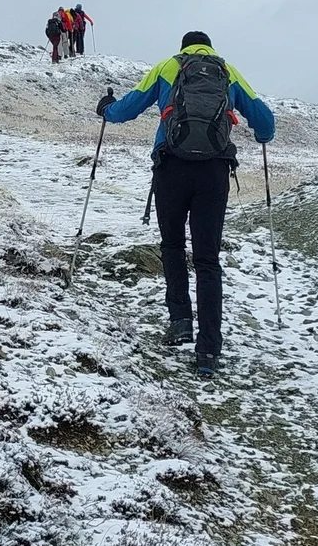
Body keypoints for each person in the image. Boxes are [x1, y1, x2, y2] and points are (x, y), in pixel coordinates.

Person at [96, 31, 274, 375]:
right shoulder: (228, 72)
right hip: (214, 172)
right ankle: (208, 351)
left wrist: (106, 109)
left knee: (173, 246)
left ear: (183, 48)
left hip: (171, 168)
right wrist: (264, 137)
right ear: (209, 48)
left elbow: (127, 109)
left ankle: (179, 322)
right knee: (207, 260)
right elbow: (265, 121)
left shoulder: (166, 67)